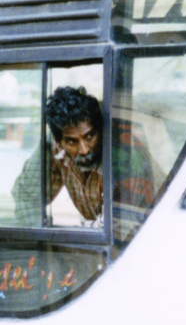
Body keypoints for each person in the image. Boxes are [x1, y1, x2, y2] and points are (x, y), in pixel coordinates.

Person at [13, 86, 154, 239]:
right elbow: (26, 195)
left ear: (100, 130)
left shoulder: (124, 154)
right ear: (59, 142)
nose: (84, 149)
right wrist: (43, 244)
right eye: (72, 141)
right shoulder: (53, 144)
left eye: (90, 136)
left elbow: (121, 230)